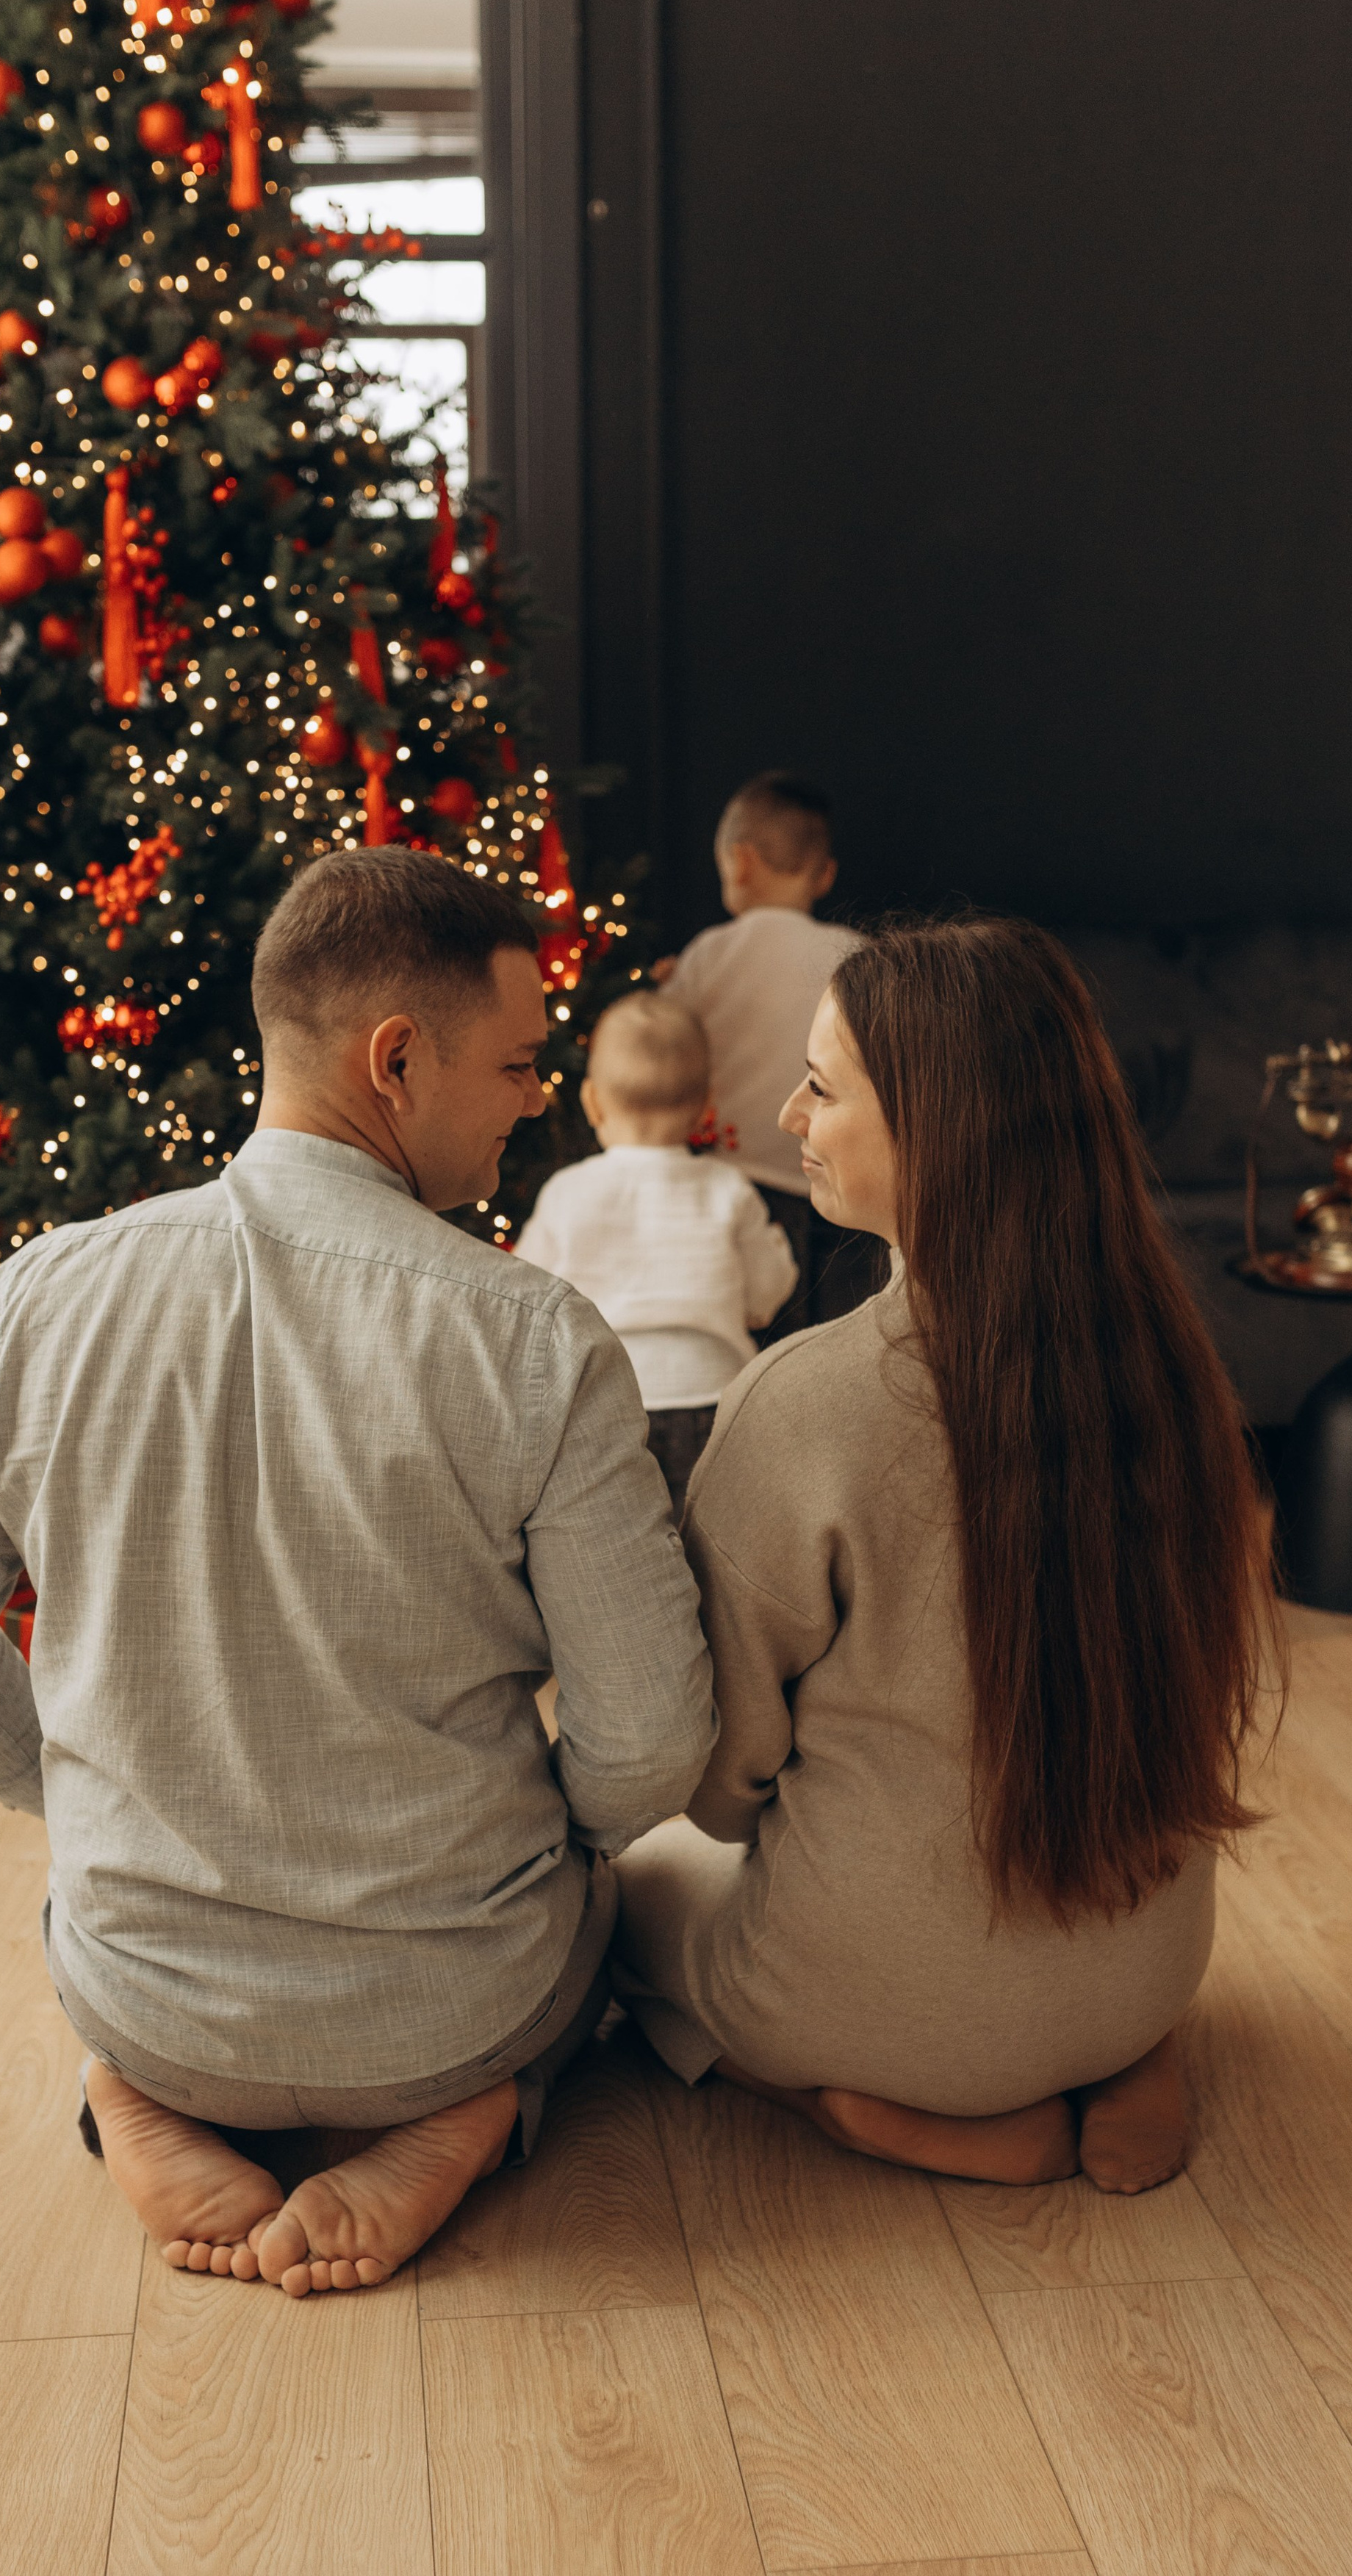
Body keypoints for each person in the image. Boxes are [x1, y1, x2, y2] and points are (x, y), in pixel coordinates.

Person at [0, 848, 713, 2295]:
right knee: (608, 1910)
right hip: (451, 2007)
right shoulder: (534, 1340)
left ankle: (127, 2094)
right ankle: (471, 2116)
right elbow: (651, 1741)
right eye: (516, 1064)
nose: (534, 1098)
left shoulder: (31, 1301)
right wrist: (535, 1840)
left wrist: (72, 1793)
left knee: (106, 1963)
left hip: (154, 2001)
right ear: (394, 1059)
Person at [614, 915, 1277, 2193]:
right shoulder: (1175, 1366)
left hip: (882, 2010)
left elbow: (719, 1782)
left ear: (938, 1129)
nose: (787, 1108)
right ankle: (1127, 2054)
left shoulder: (802, 1401)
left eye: (824, 1083)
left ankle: (860, 2106)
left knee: (616, 1898)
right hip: (1147, 1967)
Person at [512, 991, 797, 1508]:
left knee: (622, 1546)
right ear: (708, 1103)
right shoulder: (728, 1189)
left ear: (592, 1100)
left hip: (604, 1402)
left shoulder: (568, 1193)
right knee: (716, 1543)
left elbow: (525, 1299)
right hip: (718, 1399)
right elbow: (768, 1291)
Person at [657, 771, 881, 1334]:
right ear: (824, 874)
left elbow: (662, 1041)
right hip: (839, 1178)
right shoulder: (860, 959)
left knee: (752, 1326)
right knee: (835, 1329)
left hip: (735, 1174)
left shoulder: (710, 952)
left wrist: (668, 985)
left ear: (739, 862)